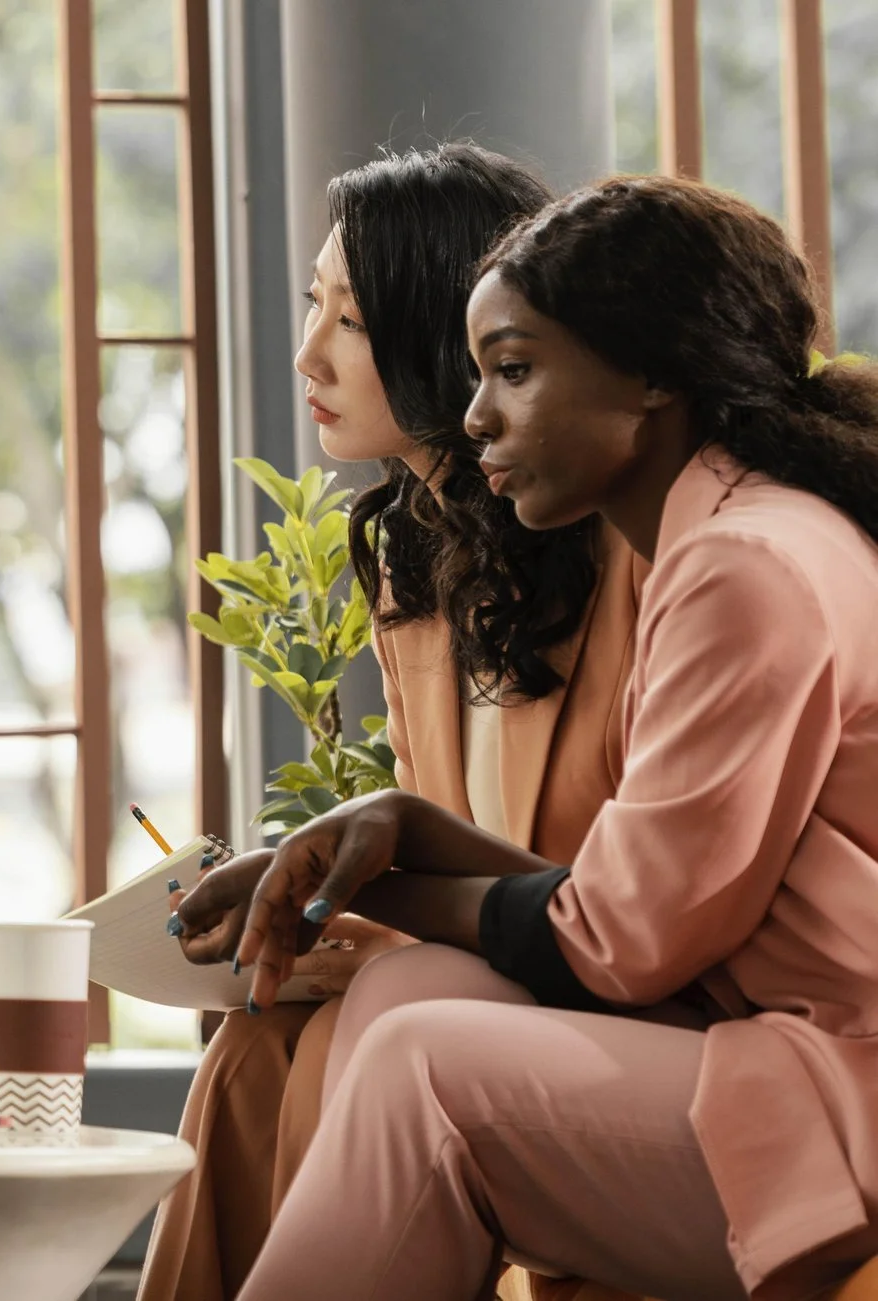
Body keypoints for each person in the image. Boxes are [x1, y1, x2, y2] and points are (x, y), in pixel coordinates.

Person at [196, 176, 878, 1300]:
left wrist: (378, 873)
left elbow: (619, 943)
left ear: (654, 376)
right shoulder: (747, 531)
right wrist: (401, 831)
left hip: (836, 1093)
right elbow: (645, 910)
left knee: (429, 1068)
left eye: (512, 370)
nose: (474, 419)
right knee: (404, 1000)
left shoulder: (739, 566)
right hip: (778, 1047)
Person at [140, 143, 646, 1301]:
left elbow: (614, 899)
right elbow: (442, 854)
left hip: (627, 990)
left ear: (442, 331)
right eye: (313, 304)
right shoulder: (414, 566)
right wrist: (323, 922)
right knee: (258, 1041)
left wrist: (372, 915)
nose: (309, 351)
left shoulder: (623, 558)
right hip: (500, 972)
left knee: (370, 1015)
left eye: (350, 320)